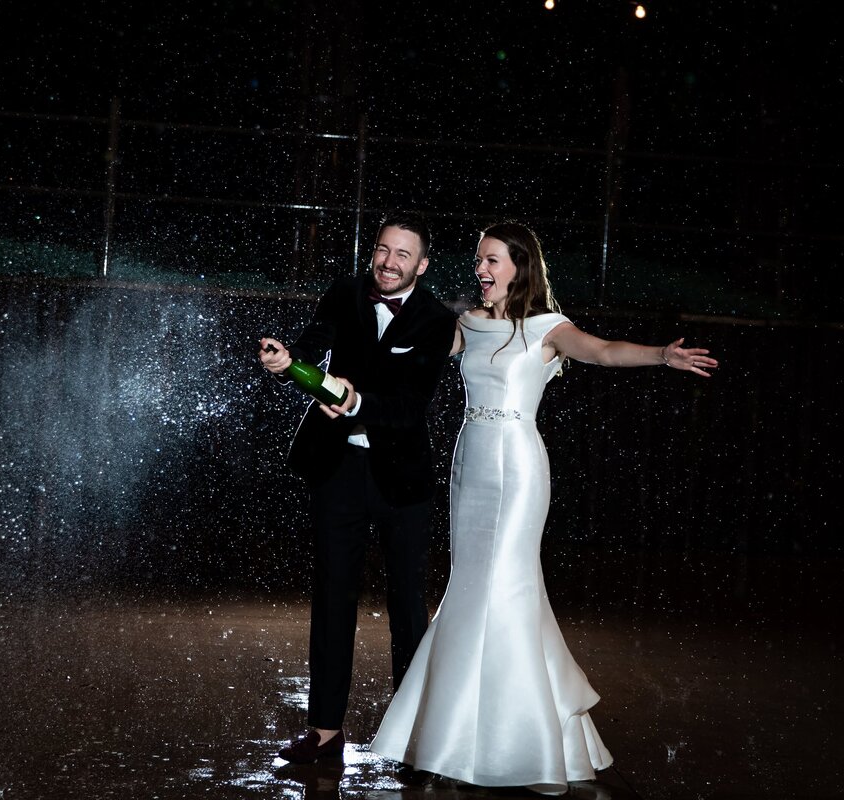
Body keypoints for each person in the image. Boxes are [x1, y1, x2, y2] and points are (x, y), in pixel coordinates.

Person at [368, 221, 719, 795]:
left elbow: (603, 352)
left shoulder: (547, 327)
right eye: (478, 260)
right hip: (470, 463)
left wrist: (661, 354)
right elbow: (409, 349)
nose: (480, 269)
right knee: (469, 587)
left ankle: (516, 740)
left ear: (519, 266)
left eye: (492, 261)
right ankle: (455, 736)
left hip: (518, 466)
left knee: (503, 587)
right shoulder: (467, 324)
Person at [258, 210, 459, 764]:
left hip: (402, 479)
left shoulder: (436, 320)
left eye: (402, 254)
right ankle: (324, 734)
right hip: (339, 469)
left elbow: (412, 404)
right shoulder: (344, 292)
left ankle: (416, 735)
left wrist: (357, 402)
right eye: (382, 250)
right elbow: (314, 341)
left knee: (407, 606)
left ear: (421, 264)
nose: (388, 262)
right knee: (332, 598)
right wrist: (287, 360)